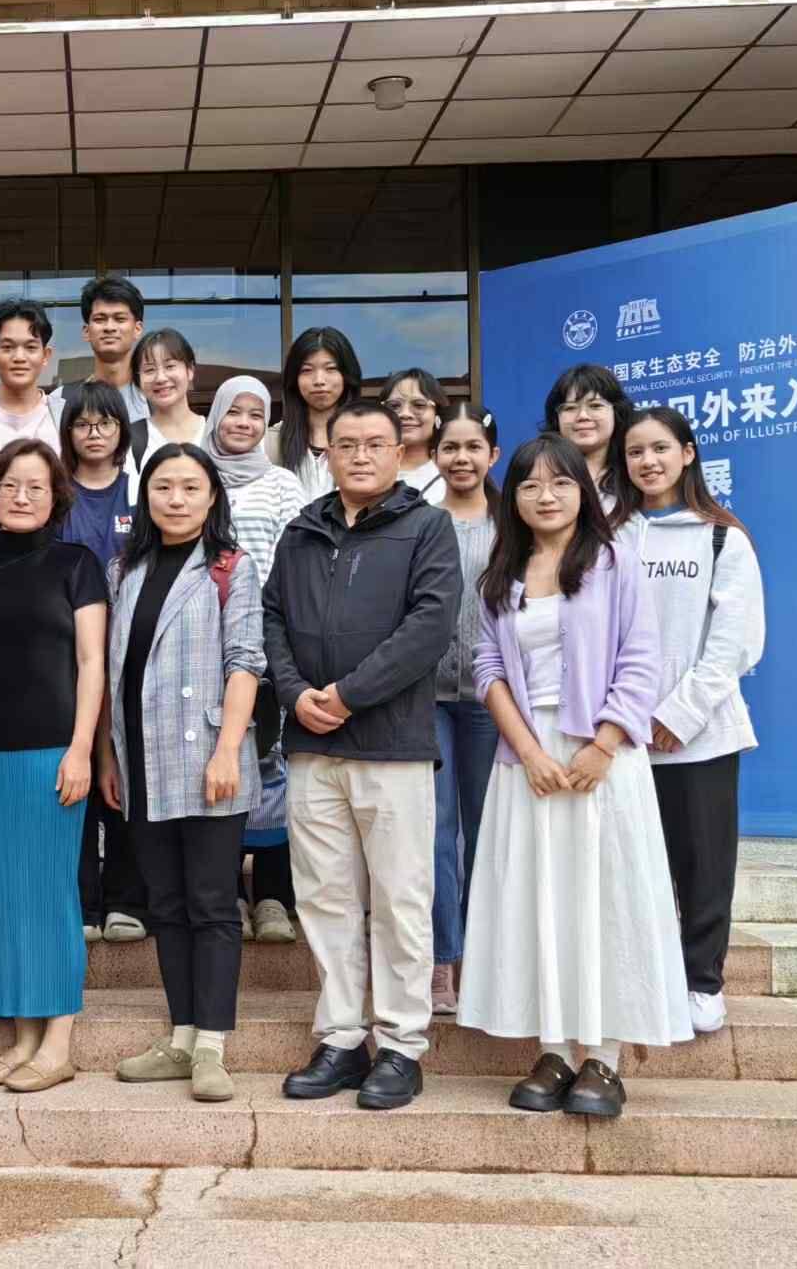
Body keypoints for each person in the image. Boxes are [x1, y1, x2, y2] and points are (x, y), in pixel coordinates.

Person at [459, 434, 689, 1119]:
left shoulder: (616, 560)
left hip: (601, 756)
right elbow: (487, 667)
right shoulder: (502, 573)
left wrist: (605, 743)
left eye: (560, 482)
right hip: (528, 760)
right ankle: (554, 1049)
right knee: (539, 898)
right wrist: (528, 750)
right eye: (530, 485)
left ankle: (604, 1058)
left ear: (582, 491)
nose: (546, 495)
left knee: (604, 898)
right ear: (513, 498)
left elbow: (642, 658)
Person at [262, 399, 460, 1111]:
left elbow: (429, 625)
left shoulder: (427, 526)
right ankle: (342, 1038)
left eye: (376, 443)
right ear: (328, 454)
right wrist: (294, 694)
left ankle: (402, 1044)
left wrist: (348, 694)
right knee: (325, 898)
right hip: (312, 745)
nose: (361, 455)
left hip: (392, 746)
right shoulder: (302, 530)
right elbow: (272, 616)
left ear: (400, 451)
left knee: (400, 898)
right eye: (347, 444)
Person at [0, 439, 106, 1094]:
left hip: (52, 753)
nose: (21, 496)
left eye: (36, 486)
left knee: (50, 896)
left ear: (55, 496)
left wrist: (82, 748)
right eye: (10, 484)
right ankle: (24, 1038)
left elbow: (91, 662)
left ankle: (58, 1042)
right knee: (4, 899)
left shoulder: (77, 564)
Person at [102, 445, 265, 1104]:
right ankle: (181, 1035)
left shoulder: (230, 567)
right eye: (163, 486)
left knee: (212, 904)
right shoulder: (125, 567)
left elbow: (245, 661)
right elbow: (115, 670)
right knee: (166, 904)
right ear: (145, 496)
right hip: (142, 759)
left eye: (190, 487)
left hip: (206, 759)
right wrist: (109, 756)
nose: (176, 498)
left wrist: (228, 749)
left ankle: (212, 1046)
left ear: (212, 496)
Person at [614, 405, 765, 1035]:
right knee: (632, 864)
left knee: (703, 862)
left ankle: (703, 981)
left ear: (688, 453)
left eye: (660, 449)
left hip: (701, 734)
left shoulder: (722, 537)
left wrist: (680, 713)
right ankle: (642, 979)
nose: (648, 462)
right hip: (621, 733)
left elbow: (736, 641)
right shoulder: (611, 535)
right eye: (635, 452)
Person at [199, 376, 308, 945]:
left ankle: (271, 896)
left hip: (269, 635)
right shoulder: (196, 473)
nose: (243, 423)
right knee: (218, 758)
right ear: (215, 416)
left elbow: (299, 558)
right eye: (233, 412)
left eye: (255, 415)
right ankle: (227, 895)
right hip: (203, 637)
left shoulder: (283, 483)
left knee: (272, 760)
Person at [57, 381, 147, 943]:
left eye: (106, 423)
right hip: (66, 653)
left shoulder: (139, 491)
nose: (94, 433)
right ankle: (83, 900)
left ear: (121, 431)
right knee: (78, 769)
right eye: (83, 424)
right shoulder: (57, 494)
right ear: (68, 432)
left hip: (132, 650)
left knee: (127, 769)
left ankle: (126, 900)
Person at [428, 403, 503, 1014]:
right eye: (450, 447)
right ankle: (440, 960)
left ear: (492, 455)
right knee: (434, 830)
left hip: (492, 700)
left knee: (487, 829)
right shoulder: (420, 524)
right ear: (434, 456)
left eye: (473, 447)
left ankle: (482, 959)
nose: (461, 458)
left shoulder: (515, 524)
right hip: (425, 697)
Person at [267, 327, 362, 500]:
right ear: (294, 379)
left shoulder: (368, 442)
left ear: (347, 375)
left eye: (330, 369)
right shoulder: (271, 441)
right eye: (307, 370)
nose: (319, 380)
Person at [48, 276, 150, 426]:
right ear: (86, 331)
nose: (109, 327)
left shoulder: (155, 397)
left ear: (137, 329)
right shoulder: (61, 400)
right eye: (100, 319)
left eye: (120, 319)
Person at [0, 298, 59, 459]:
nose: (19, 357)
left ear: (45, 355)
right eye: (8, 347)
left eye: (30, 347)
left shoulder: (65, 416)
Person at [541, 363, 632, 509]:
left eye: (595, 406)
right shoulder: (539, 471)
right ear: (556, 418)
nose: (582, 416)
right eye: (570, 408)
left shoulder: (634, 472)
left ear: (616, 412)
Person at [130, 328, 204, 474]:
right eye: (149, 370)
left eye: (170, 366)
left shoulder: (215, 433)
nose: (161, 378)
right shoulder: (129, 440)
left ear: (190, 370)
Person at [382, 367, 449, 505]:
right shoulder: (363, 469)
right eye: (394, 406)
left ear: (437, 414)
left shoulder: (452, 474)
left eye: (418, 405)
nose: (405, 414)